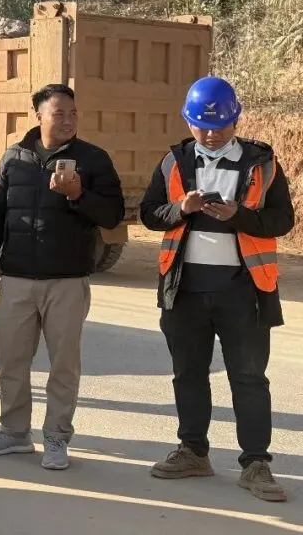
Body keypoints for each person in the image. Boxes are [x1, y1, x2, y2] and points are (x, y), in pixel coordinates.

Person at [139, 76, 294, 502]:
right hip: (184, 288)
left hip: (244, 290)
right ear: (188, 122)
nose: (210, 134)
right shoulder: (173, 161)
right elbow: (149, 214)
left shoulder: (262, 163)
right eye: (201, 126)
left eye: (219, 126)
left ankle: (256, 463)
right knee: (188, 373)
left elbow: (283, 221)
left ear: (235, 119)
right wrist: (181, 208)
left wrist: (238, 216)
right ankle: (193, 451)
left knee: (249, 377)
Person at [0, 84, 124, 470]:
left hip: (67, 280)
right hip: (17, 277)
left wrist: (77, 194)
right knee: (12, 360)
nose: (68, 120)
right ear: (39, 115)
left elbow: (112, 215)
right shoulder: (14, 158)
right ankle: (14, 432)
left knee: (63, 366)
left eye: (73, 113)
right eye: (59, 113)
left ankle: (56, 437)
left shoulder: (93, 159)